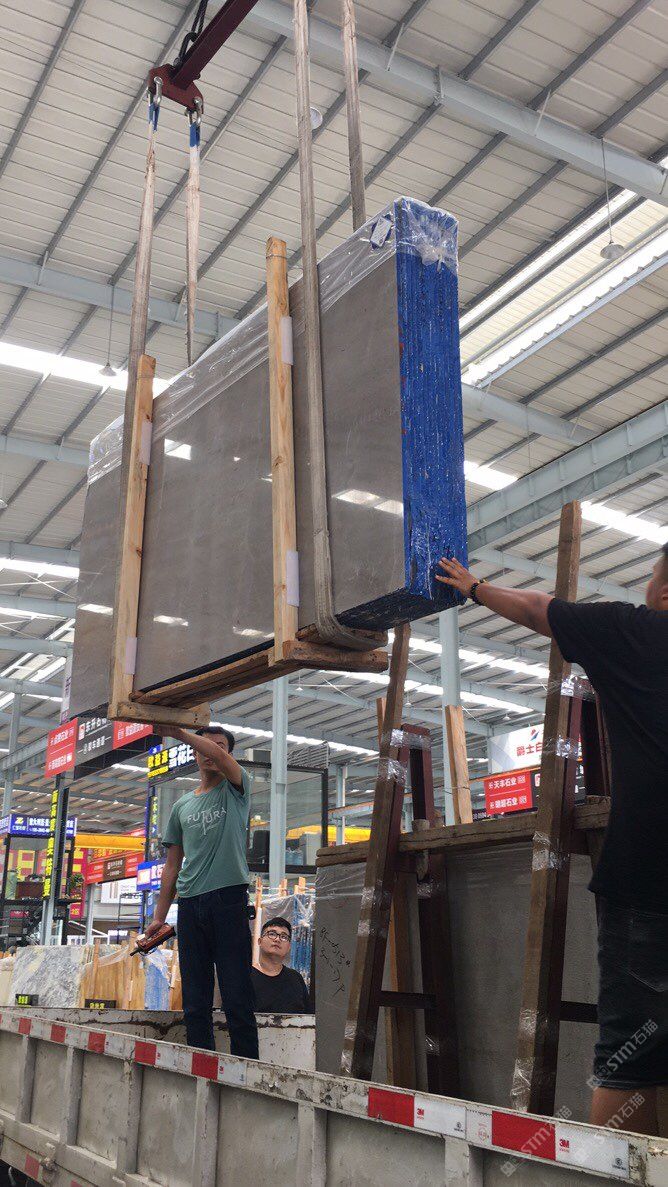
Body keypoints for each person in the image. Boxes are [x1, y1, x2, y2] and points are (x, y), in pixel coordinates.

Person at [437, 545, 668, 1136]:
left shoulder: (634, 631)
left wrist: (474, 587)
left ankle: (615, 1171)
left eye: (651, 574)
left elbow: (539, 609)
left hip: (646, 881)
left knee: (629, 1057)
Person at [144, 725, 259, 1059]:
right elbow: (172, 866)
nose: (211, 752)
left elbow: (219, 757)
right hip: (190, 905)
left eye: (219, 747)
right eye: (205, 747)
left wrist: (177, 732)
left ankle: (246, 1070)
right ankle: (201, 1068)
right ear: (195, 755)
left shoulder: (237, 788)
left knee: (237, 995)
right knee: (195, 999)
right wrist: (159, 917)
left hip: (228, 899)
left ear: (227, 755)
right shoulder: (181, 806)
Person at [251, 916, 311, 1013]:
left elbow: (309, 1017)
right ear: (260, 941)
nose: (277, 939)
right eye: (272, 934)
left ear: (289, 947)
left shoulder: (296, 978)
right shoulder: (244, 977)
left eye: (283, 937)